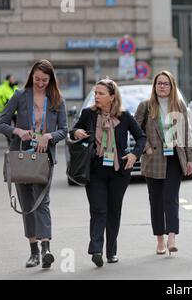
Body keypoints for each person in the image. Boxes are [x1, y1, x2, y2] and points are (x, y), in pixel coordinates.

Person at [0, 60, 68, 269]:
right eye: (37, 79)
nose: (41, 83)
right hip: (21, 157)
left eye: (45, 80)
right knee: (27, 205)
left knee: (42, 202)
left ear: (51, 79)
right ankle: (34, 251)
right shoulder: (20, 95)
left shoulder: (57, 99)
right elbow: (0, 123)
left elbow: (64, 129)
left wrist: (49, 136)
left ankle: (46, 249)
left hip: (44, 158)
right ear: (31, 76)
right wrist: (17, 132)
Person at [70, 78, 145, 267]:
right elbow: (73, 130)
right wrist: (77, 132)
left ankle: (111, 251)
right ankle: (96, 249)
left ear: (112, 97)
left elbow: (141, 137)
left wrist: (134, 155)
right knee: (98, 209)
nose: (96, 96)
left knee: (113, 211)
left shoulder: (125, 116)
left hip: (119, 172)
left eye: (101, 93)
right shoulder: (88, 114)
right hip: (95, 170)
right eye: (95, 93)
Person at [134, 71, 192, 256]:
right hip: (153, 160)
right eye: (159, 83)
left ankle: (172, 237)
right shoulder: (145, 106)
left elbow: (187, 133)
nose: (162, 86)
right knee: (156, 201)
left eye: (166, 83)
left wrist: (190, 158)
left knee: (171, 198)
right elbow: (135, 131)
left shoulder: (179, 105)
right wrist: (145, 148)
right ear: (154, 87)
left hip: (174, 158)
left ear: (172, 86)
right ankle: (159, 239)